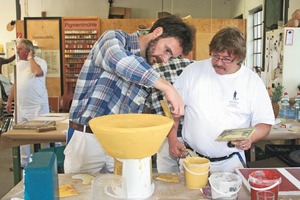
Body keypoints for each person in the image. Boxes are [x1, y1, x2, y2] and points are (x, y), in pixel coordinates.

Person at [65, 15, 195, 174]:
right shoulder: (115, 39)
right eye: (167, 50)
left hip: (120, 143)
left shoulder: (149, 68)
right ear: (157, 32)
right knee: (80, 194)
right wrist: (168, 87)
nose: (165, 59)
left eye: (171, 56)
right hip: (87, 138)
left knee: (123, 192)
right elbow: (117, 60)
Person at [168, 27, 275, 173]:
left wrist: (250, 137)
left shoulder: (252, 82)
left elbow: (265, 123)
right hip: (192, 159)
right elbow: (172, 110)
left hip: (231, 162)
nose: (218, 62)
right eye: (215, 56)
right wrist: (173, 139)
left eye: (226, 59)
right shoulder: (193, 71)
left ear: (239, 58)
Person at [6, 39, 50, 167]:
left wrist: (30, 58)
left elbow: (37, 73)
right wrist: (9, 101)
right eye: (17, 49)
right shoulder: (19, 65)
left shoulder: (40, 63)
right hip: (21, 107)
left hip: (37, 107)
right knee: (22, 136)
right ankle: (24, 162)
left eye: (20, 49)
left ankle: (48, 161)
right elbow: (15, 84)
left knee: (45, 136)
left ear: (29, 51)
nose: (18, 51)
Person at [146, 57, 193, 173]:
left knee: (167, 177)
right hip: (190, 133)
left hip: (166, 132)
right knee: (189, 176)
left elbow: (146, 105)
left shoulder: (152, 71)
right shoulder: (192, 65)